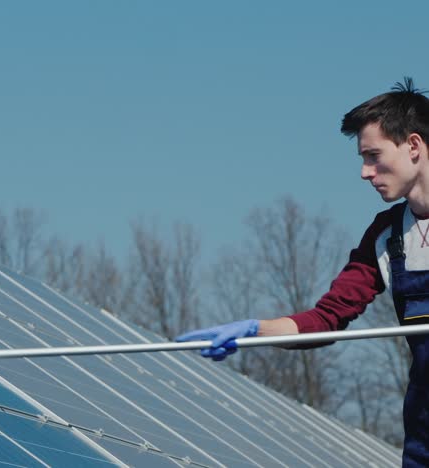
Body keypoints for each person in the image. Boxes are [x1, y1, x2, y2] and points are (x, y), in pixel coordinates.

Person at [176, 77, 429, 467]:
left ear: (413, 146)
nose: (365, 172)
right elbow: (325, 320)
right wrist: (254, 331)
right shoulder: (386, 236)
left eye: (373, 155)